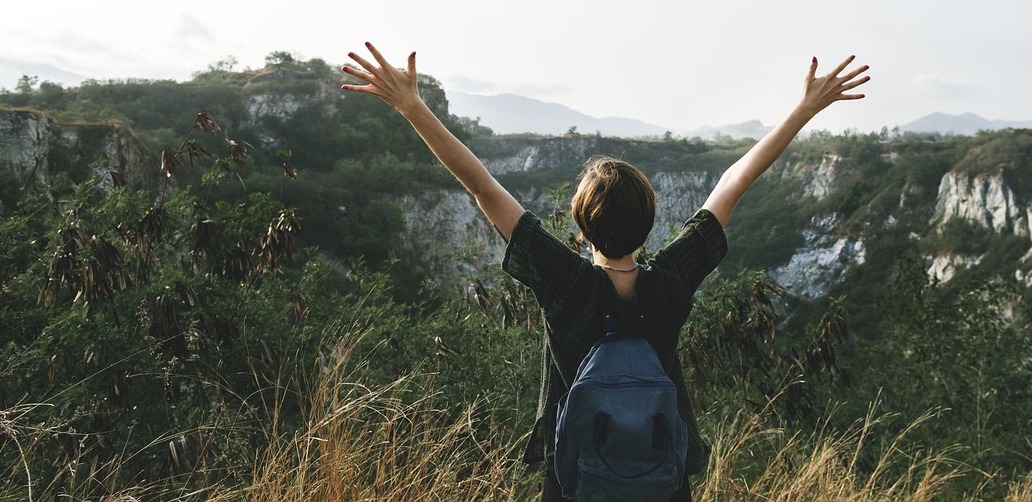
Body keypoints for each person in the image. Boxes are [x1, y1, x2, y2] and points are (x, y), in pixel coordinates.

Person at [341, 43, 869, 500]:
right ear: (650, 222)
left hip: (574, 478)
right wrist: (803, 111)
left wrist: (411, 106)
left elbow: (481, 186)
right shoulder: (671, 281)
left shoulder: (565, 283)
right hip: (662, 479)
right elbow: (734, 182)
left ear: (581, 224)